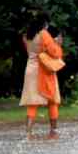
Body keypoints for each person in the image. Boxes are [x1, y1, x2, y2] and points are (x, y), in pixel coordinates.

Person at [20, 12, 63, 140]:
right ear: (45, 23)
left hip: (30, 69)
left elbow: (33, 51)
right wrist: (57, 43)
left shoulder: (27, 35)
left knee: (32, 103)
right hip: (43, 70)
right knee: (52, 100)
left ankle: (28, 133)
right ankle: (53, 131)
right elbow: (54, 53)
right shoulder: (44, 34)